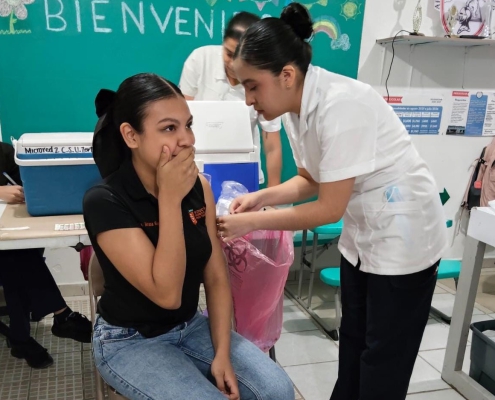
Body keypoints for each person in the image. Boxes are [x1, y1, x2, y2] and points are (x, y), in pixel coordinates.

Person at [216, 3, 448, 400]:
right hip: (364, 235)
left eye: (253, 86)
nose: (249, 99)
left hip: (404, 236)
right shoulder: (295, 108)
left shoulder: (342, 105)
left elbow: (328, 209)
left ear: (286, 75)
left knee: (383, 358)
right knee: (354, 342)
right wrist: (259, 198)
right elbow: (311, 179)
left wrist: (253, 221)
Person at [83, 73, 294, 400]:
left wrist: (222, 353)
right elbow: (166, 294)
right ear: (131, 135)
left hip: (191, 326)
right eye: (169, 128)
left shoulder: (199, 187)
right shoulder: (105, 200)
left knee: (277, 390)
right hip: (130, 340)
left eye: (188, 125)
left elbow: (217, 277)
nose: (187, 140)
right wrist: (169, 199)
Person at [0, 141, 92, 369]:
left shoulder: (4, 152)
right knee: (13, 258)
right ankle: (60, 315)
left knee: (15, 255)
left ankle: (22, 338)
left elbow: (30, 185)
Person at [179, 12, 282, 188]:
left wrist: (273, 194)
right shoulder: (200, 60)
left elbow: (271, 143)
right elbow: (181, 120)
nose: (233, 64)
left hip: (243, 169)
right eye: (228, 53)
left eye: (240, 57)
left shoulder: (266, 79)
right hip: (196, 167)